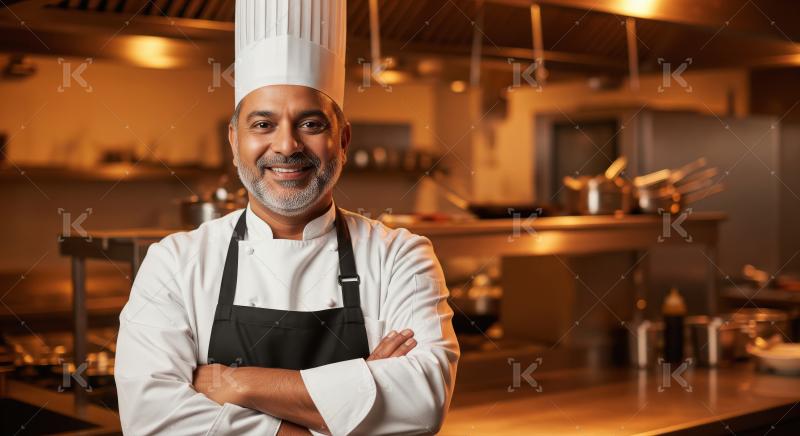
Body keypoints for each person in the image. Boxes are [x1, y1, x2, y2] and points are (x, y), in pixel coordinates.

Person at [114, 1, 459, 434]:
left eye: (311, 124)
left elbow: (422, 403)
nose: (287, 146)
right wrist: (351, 398)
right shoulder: (175, 262)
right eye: (262, 124)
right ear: (234, 142)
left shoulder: (400, 257)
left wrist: (237, 382)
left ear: (343, 139)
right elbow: (151, 419)